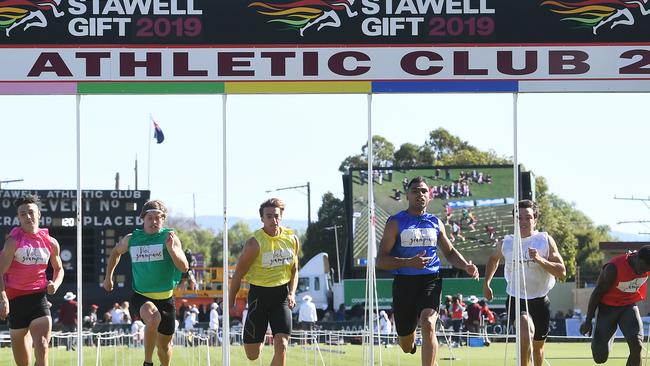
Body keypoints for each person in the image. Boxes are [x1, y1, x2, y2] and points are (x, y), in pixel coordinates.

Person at [376, 176, 479, 366]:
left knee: (428, 322)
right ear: (407, 195)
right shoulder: (395, 222)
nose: (420, 195)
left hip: (430, 280)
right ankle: (410, 340)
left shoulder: (436, 223)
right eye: (415, 191)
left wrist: (466, 265)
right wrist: (409, 262)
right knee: (406, 344)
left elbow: (449, 251)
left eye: (424, 191)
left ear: (430, 196)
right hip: (404, 284)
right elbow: (380, 260)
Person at [103, 199, 193, 366]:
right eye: (150, 218)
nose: (154, 221)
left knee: (164, 348)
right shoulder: (132, 239)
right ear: (143, 219)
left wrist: (172, 251)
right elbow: (115, 252)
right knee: (152, 318)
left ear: (163, 219)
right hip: (141, 296)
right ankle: (147, 362)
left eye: (158, 218)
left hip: (166, 299)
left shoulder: (170, 238)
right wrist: (108, 277)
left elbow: (184, 267)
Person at [483, 199, 566, 366]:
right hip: (516, 297)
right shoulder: (507, 242)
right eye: (518, 217)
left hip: (540, 299)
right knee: (525, 332)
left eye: (527, 217)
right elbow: (493, 260)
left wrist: (539, 259)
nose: (522, 221)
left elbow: (562, 272)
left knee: (538, 348)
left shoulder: (545, 240)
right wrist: (487, 283)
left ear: (535, 220)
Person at [229, 198, 299, 366]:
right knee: (252, 355)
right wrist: (230, 302)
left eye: (276, 216)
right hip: (258, 297)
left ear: (281, 216)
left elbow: (294, 270)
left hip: (281, 296)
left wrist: (292, 293)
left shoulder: (292, 238)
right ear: (262, 219)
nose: (273, 220)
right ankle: (257, 342)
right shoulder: (254, 243)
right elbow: (238, 274)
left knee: (282, 346)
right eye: (269, 216)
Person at [0, 194, 64, 366]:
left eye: (31, 212)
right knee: (23, 363)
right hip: (15, 301)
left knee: (42, 347)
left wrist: (55, 284)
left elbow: (59, 269)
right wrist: (3, 298)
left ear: (39, 214)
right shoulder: (13, 242)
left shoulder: (51, 243)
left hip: (38, 298)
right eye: (23, 214)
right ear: (18, 218)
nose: (28, 216)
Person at [579, 246, 650, 366]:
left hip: (628, 306)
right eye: (642, 267)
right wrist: (588, 320)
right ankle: (607, 334)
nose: (642, 272)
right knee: (600, 358)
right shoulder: (613, 268)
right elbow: (597, 293)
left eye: (646, 270)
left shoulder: (646, 266)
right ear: (637, 257)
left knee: (637, 347)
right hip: (608, 308)